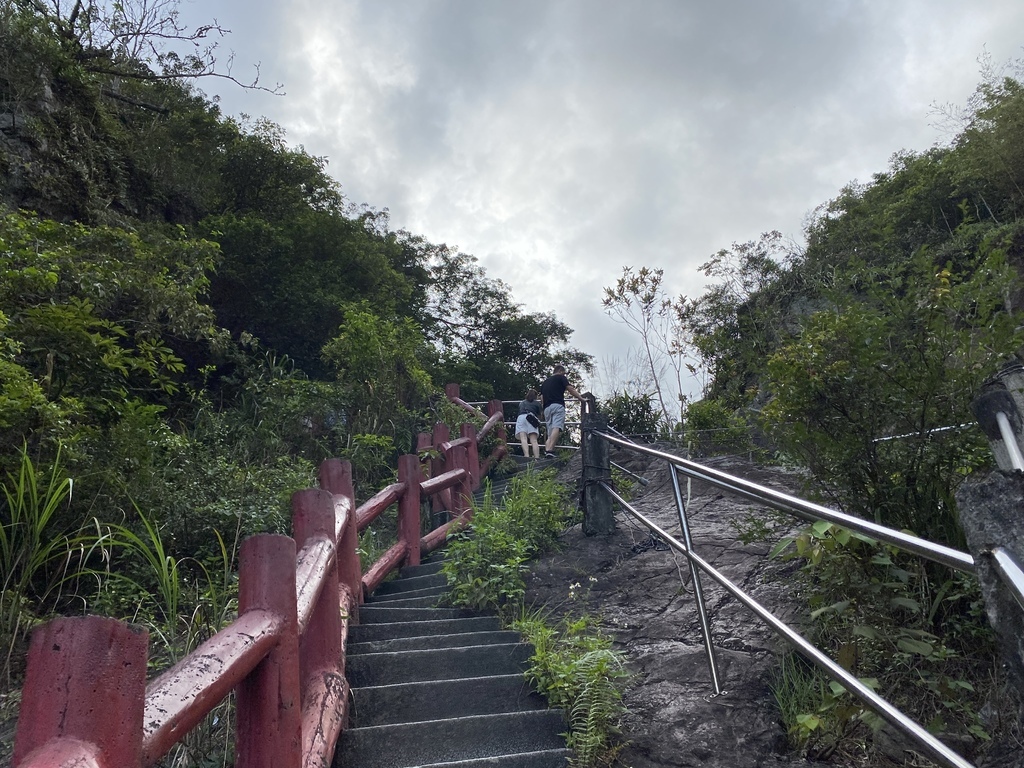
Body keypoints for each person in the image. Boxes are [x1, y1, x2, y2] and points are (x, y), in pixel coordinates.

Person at [540, 364, 583, 458]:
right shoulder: (561, 377)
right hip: (557, 405)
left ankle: (547, 451)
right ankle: (550, 450)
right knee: (557, 427)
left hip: (547, 408)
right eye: (564, 373)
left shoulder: (545, 382)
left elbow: (542, 397)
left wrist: (543, 410)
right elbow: (570, 389)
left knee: (550, 431)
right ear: (560, 371)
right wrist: (581, 399)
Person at [514, 388, 543, 459]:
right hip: (531, 419)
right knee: (533, 440)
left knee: (523, 438)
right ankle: (537, 457)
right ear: (535, 396)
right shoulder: (537, 403)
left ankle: (526, 456)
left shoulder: (522, 403)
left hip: (521, 418)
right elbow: (541, 416)